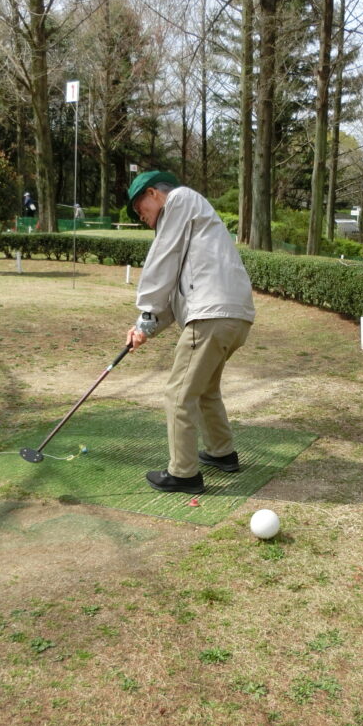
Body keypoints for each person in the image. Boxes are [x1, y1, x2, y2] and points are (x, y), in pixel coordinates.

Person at [124, 170, 256, 494]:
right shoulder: (196, 227)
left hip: (212, 316)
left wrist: (146, 312)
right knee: (205, 387)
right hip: (234, 318)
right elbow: (176, 297)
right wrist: (145, 328)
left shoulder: (180, 200)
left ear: (154, 193)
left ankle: (183, 473)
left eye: (141, 209)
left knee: (179, 395)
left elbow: (162, 258)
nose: (143, 218)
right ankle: (221, 452)